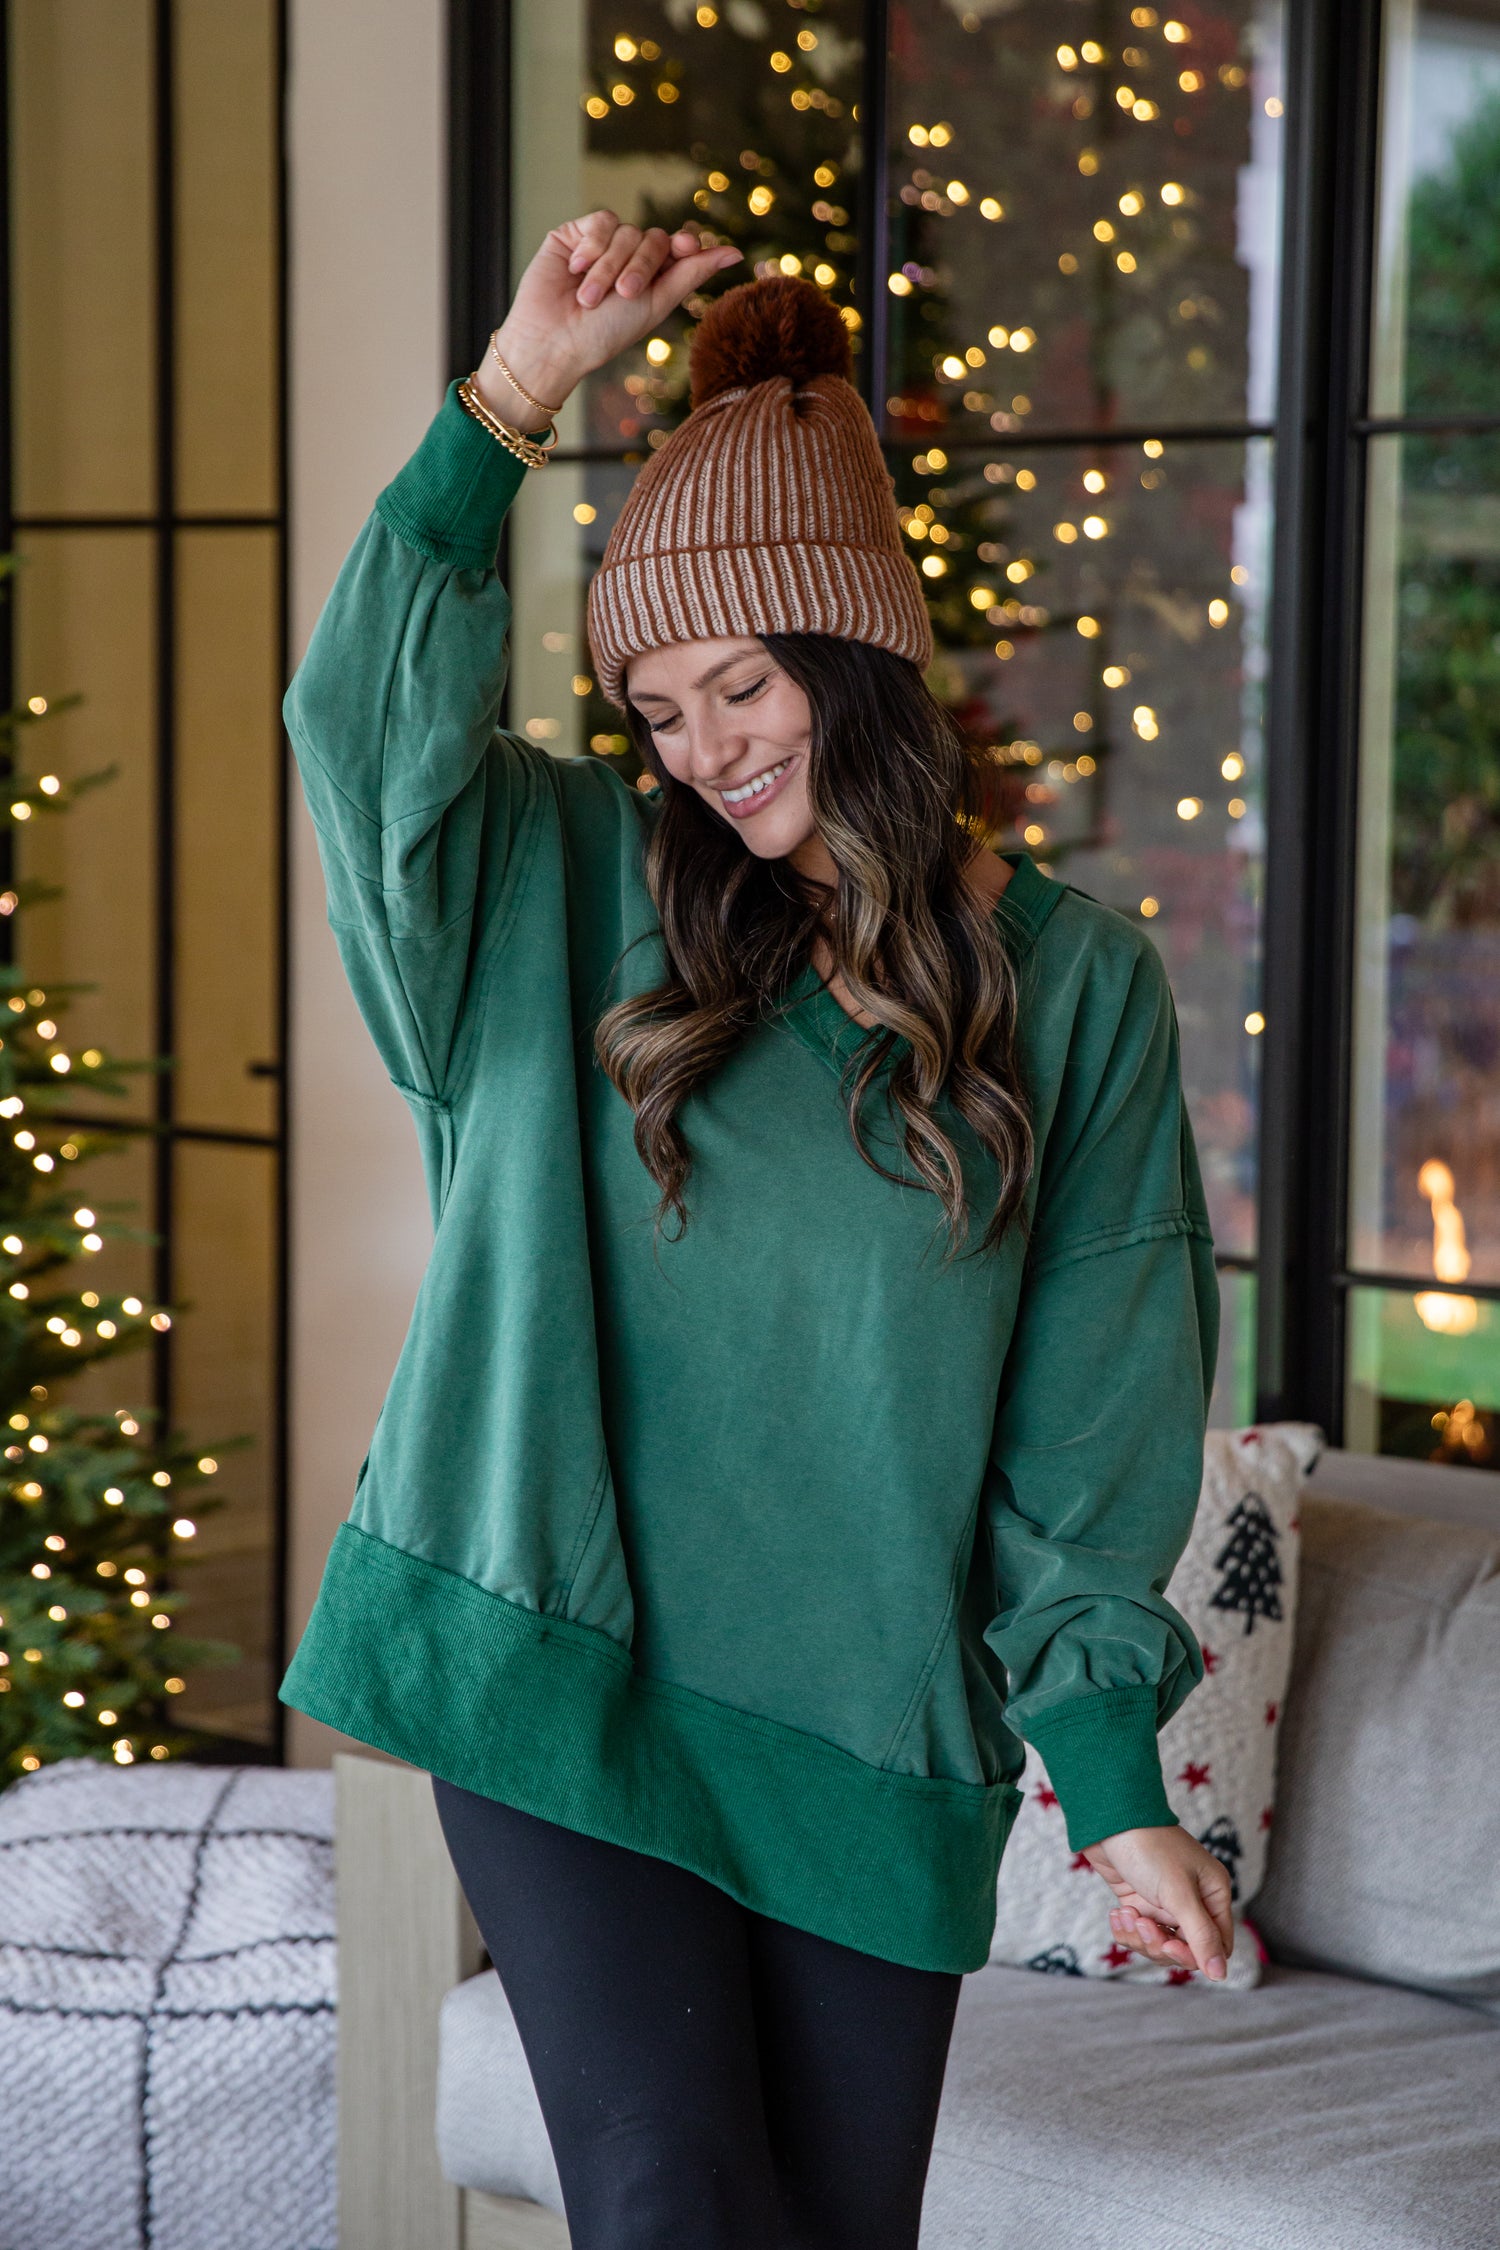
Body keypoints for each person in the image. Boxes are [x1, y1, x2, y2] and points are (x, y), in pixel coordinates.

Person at [281, 212, 1234, 2250]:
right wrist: (509, 400)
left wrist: (1118, 1781)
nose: (706, 754)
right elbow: (357, 742)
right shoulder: (549, 886)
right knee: (671, 2204)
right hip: (557, 1663)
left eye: (743, 685)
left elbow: (1099, 1414)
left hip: (866, 1733)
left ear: (858, 653)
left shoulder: (1070, 989)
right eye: (658, 710)